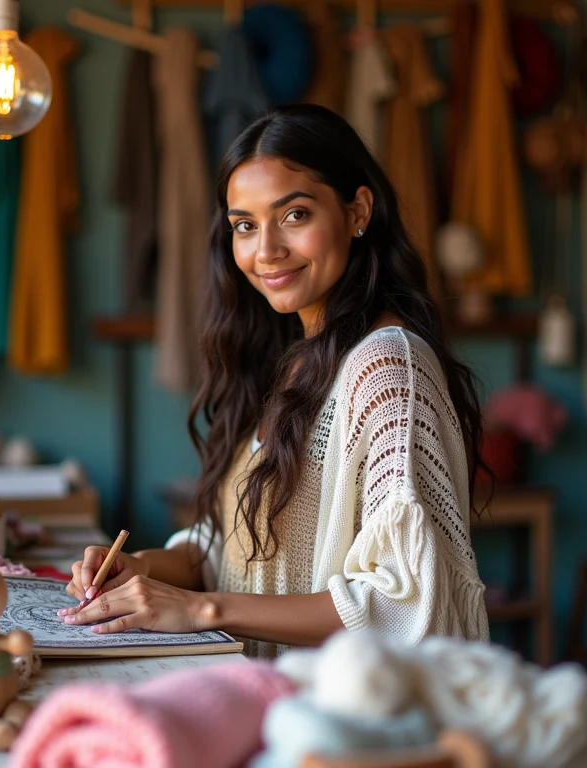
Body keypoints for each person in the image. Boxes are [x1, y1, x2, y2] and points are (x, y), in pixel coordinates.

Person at [64, 104, 490, 657]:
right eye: (245, 225)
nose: (265, 250)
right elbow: (234, 550)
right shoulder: (289, 359)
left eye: (294, 216)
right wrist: (140, 568)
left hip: (352, 726)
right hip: (269, 700)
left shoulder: (387, 368)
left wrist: (200, 608)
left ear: (357, 210)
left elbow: (403, 604)